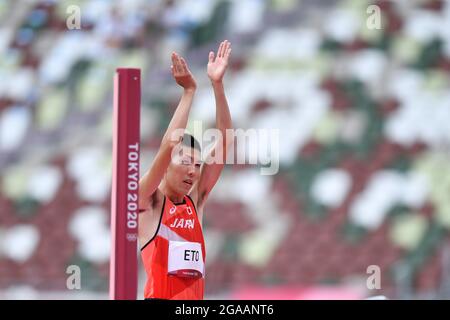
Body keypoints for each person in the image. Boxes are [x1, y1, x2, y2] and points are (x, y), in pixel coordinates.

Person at [138, 40, 233, 300]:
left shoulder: (195, 201)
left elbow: (225, 142)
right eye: (185, 162)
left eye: (197, 164)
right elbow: (169, 145)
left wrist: (218, 85)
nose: (193, 171)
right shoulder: (148, 202)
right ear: (167, 165)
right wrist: (189, 91)